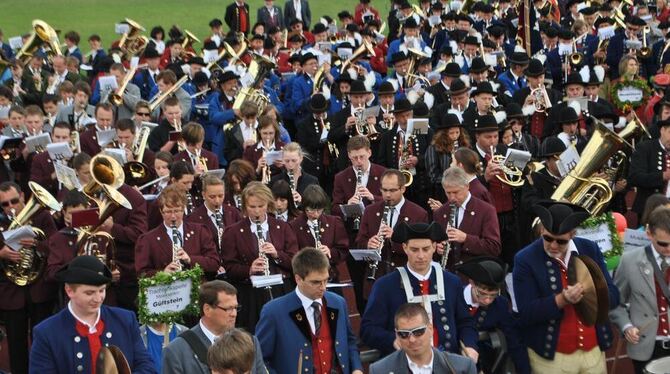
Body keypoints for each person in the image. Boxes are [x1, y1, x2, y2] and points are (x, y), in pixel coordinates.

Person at [513, 201, 620, 373]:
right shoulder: (525, 259)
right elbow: (526, 312)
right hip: (552, 359)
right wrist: (561, 300)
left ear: (572, 234)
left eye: (561, 241)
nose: (553, 246)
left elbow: (614, 296)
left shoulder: (589, 249)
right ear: (541, 230)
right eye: (547, 238)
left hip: (593, 353)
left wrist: (594, 292)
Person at [361, 222, 479, 358]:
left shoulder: (451, 282)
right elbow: (368, 329)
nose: (421, 256)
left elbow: (465, 322)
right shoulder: (385, 285)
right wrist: (394, 340)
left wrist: (470, 346)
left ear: (434, 247)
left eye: (426, 249)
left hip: (447, 362)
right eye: (414, 250)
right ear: (405, 248)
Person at [29, 255, 155, 374]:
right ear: (69, 291)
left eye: (102, 290)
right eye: (89, 293)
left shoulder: (126, 319)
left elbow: (146, 365)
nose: (98, 298)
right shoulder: (46, 333)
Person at [256, 247, 363, 373]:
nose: (323, 287)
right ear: (298, 279)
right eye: (316, 282)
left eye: (326, 280)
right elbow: (260, 359)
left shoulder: (338, 303)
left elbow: (350, 342)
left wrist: (356, 368)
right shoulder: (273, 311)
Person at [220, 181, 299, 332]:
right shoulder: (233, 232)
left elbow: (295, 261)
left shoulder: (282, 227)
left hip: (281, 290)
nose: (256, 211)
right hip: (251, 294)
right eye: (252, 207)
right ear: (244, 206)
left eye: (261, 206)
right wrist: (249, 269)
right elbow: (229, 267)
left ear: (268, 204)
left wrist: (277, 255)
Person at [0, 182, 57, 374]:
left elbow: (57, 246)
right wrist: (1, 254)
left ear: (23, 196)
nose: (11, 208)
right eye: (5, 205)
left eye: (14, 201)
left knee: (44, 341)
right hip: (12, 293)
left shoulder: (41, 216)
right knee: (16, 345)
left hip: (39, 290)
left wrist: (37, 244)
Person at [610, 206, 670, 373]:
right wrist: (626, 326)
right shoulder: (629, 261)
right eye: (663, 244)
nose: (669, 249)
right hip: (646, 346)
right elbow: (616, 303)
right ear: (649, 234)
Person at [163, 280, 267, 374]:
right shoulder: (177, 350)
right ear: (207, 309)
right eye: (228, 308)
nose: (234, 314)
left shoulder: (250, 342)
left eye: (236, 308)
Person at [455, 257, 531, 374]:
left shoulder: (500, 304)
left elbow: (513, 338)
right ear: (472, 282)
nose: (487, 301)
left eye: (493, 295)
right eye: (482, 294)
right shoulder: (456, 297)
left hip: (486, 363)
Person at [356, 169, 429, 277]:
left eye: (392, 190)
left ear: (403, 189)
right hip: (376, 276)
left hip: (405, 276)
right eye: (384, 190)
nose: (388, 195)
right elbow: (359, 242)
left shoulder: (418, 214)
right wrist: (368, 244)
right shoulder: (370, 211)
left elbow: (422, 250)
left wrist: (395, 238)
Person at [135, 184, 219, 277]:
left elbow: (214, 263)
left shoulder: (200, 231)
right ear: (161, 211)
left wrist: (190, 259)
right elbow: (141, 273)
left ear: (183, 209)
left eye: (177, 211)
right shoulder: (148, 239)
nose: (173, 216)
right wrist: (162, 273)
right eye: (168, 211)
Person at [369, 303, 477, 374]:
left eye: (418, 332)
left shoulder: (463, 367)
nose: (412, 339)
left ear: (430, 329)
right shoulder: (379, 370)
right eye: (404, 334)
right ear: (397, 335)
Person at [434, 167, 501, 269]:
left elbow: (494, 248)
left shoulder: (486, 210)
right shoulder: (440, 212)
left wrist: (466, 238)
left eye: (456, 192)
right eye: (448, 193)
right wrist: (437, 248)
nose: (452, 198)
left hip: (476, 275)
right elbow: (433, 243)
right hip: (450, 274)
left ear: (467, 186)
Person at [289, 185, 348, 283]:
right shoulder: (293, 226)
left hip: (330, 276)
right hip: (306, 277)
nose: (315, 214)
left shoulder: (334, 222)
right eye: (310, 210)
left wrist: (330, 251)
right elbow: (292, 254)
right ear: (304, 207)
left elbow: (343, 250)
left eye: (319, 210)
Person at [629, 119, 670, 218]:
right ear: (662, 130)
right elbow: (634, 177)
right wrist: (662, 176)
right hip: (651, 209)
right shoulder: (645, 148)